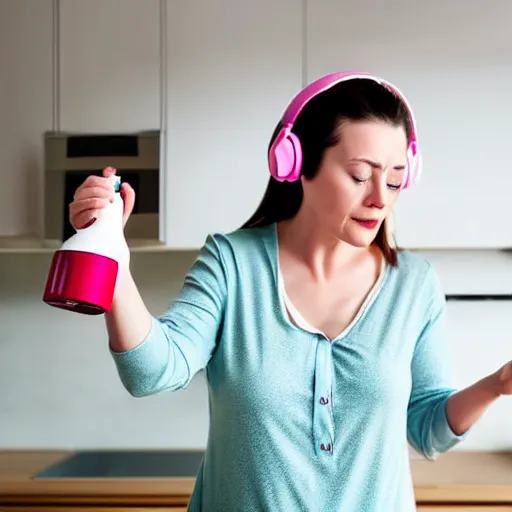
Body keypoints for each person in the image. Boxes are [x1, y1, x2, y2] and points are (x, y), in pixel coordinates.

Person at [69, 72, 512, 512]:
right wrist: (113, 260)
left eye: (395, 179)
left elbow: (428, 429)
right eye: (360, 175)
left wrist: (496, 385)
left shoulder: (415, 285)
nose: (381, 198)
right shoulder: (232, 264)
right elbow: (152, 372)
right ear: (295, 165)